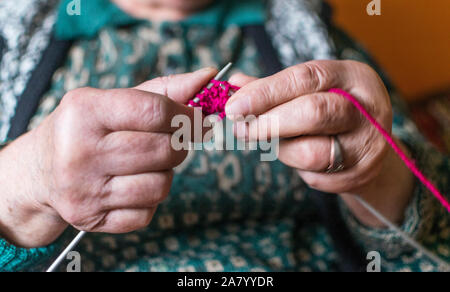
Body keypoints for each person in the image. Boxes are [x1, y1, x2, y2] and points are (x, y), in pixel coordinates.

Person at [0, 0, 448, 272]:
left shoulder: (310, 38)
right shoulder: (13, 38)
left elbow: (430, 236)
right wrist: (28, 180)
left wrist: (373, 172)